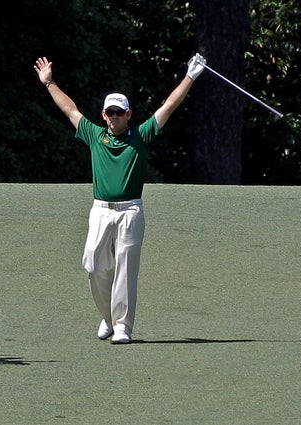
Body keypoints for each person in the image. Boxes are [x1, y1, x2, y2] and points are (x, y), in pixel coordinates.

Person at [33, 53, 206, 344]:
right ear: (103, 115)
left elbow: (169, 106)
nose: (114, 117)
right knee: (93, 265)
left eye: (119, 112)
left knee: (125, 268)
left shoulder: (142, 135)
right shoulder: (93, 134)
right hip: (100, 211)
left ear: (128, 114)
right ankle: (108, 317)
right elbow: (69, 109)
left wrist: (190, 75)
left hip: (131, 211)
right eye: (109, 112)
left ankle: (123, 326)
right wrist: (49, 83)